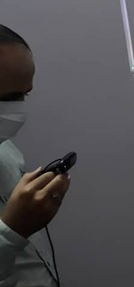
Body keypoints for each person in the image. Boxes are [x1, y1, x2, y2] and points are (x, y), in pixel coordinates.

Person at [0, 24, 71, 286]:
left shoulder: (6, 150)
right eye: (8, 98)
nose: (17, 110)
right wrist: (11, 230)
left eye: (24, 95)